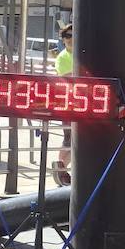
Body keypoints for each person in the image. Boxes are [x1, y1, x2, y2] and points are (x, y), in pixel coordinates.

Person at [51, 23, 73, 186]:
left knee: (77, 139)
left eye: (73, 36)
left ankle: (61, 168)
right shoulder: (62, 57)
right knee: (68, 138)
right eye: (67, 36)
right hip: (68, 103)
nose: (70, 39)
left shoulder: (83, 55)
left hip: (84, 104)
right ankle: (61, 168)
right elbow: (68, 77)